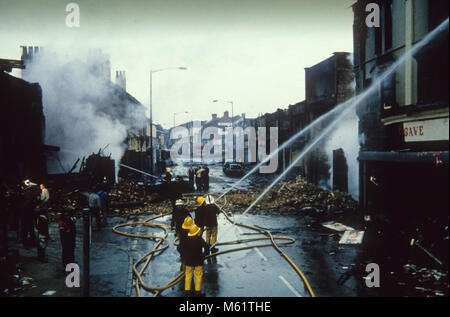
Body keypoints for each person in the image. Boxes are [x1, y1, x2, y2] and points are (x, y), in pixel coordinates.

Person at [183, 223, 209, 296]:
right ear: (197, 232)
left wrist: (185, 256)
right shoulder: (200, 239)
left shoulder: (186, 239)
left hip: (189, 261)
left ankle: (187, 291)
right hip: (198, 261)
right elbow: (206, 247)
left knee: (188, 275)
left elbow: (180, 248)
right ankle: (198, 292)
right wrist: (204, 255)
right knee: (198, 275)